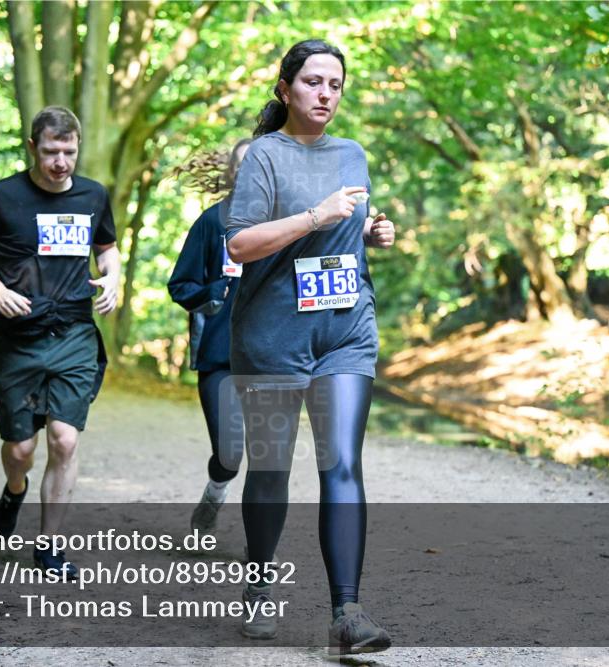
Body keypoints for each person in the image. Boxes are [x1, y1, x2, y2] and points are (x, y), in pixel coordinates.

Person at [224, 40, 395, 654]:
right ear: (286, 88)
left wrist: (372, 232)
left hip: (345, 333)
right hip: (273, 338)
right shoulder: (265, 157)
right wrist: (315, 216)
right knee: (271, 471)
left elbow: (346, 234)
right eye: (314, 82)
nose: (326, 94)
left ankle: (347, 613)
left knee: (342, 464)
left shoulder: (353, 154)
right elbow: (240, 245)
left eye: (336, 85)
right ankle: (260, 587)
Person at [0, 106, 120, 578]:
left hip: (73, 332)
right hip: (15, 338)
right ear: (32, 147)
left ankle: (51, 548)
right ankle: (15, 489)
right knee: (21, 449)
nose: (61, 162)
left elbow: (107, 250)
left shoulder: (94, 195)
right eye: (51, 151)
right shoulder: (2, 196)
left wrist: (114, 280)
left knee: (65, 440)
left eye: (69, 151)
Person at [168, 139, 252, 535]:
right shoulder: (212, 222)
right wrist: (211, 292)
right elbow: (180, 285)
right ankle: (215, 493)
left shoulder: (290, 224)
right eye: (243, 164)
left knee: (271, 457)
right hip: (219, 356)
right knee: (230, 453)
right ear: (230, 173)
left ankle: (261, 544)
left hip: (273, 357)